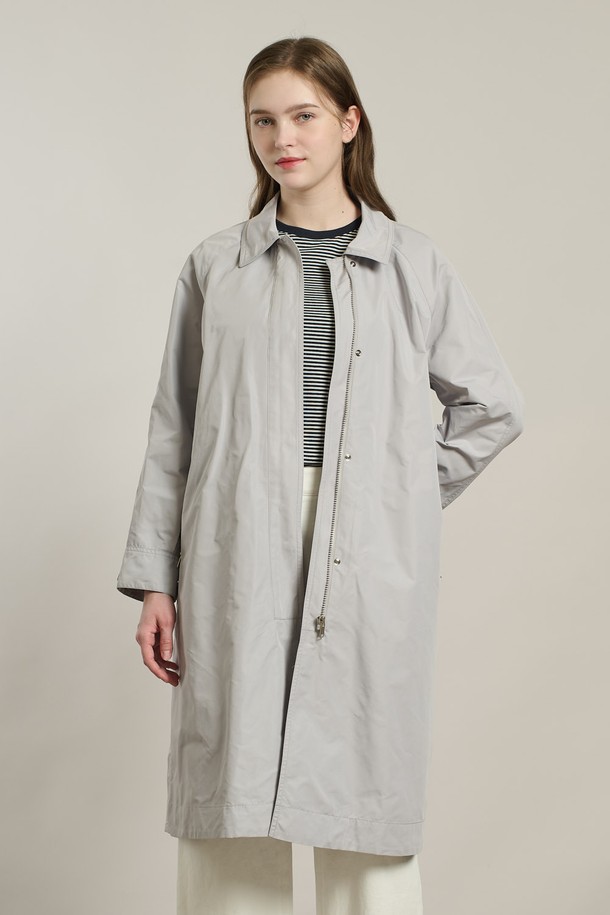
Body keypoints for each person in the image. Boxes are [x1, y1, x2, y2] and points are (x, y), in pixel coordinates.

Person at [116, 35, 524, 915]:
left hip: (366, 546)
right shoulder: (216, 266)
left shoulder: (414, 264)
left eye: (303, 115)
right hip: (235, 538)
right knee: (234, 798)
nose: (282, 138)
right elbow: (173, 427)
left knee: (362, 797)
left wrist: (397, 496)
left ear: (348, 122)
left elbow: (492, 406)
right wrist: (155, 578)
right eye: (262, 120)